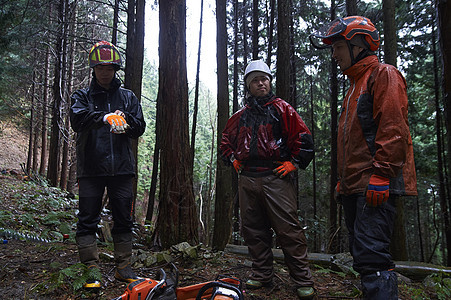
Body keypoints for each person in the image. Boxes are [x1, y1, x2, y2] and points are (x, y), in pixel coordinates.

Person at [310, 16, 418, 299]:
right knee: (363, 256)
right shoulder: (353, 87)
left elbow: (393, 127)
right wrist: (342, 182)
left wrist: (382, 173)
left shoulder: (383, 75)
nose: (333, 55)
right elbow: (353, 141)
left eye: (338, 48)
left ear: (358, 45)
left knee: (373, 258)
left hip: (375, 183)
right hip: (356, 186)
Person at [220, 60, 315, 299]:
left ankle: (303, 279)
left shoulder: (283, 109)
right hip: (248, 178)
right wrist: (232, 159)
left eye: (264, 79)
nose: (260, 83)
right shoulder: (240, 116)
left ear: (270, 81)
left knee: (288, 229)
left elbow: (303, 137)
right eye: (255, 80)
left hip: (275, 177)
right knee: (253, 229)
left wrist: (294, 163)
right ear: (248, 86)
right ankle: (262, 274)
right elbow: (224, 140)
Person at [70, 41, 146, 291]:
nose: (105, 72)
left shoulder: (128, 97)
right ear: (94, 69)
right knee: (87, 218)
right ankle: (90, 268)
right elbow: (77, 120)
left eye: (110, 68)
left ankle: (124, 267)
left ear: (116, 69)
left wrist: (126, 121)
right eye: (101, 68)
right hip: (91, 167)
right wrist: (103, 118)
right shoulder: (82, 96)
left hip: (122, 169)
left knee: (124, 218)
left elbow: (140, 127)